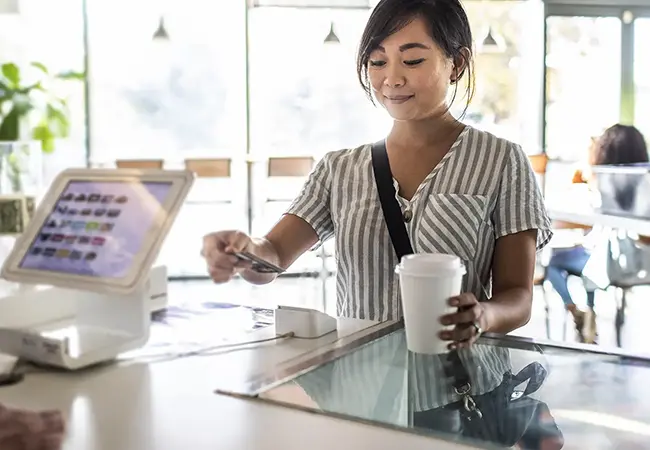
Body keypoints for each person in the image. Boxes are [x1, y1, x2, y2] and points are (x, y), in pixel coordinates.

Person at [202, 0, 552, 351]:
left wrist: (483, 317)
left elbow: (517, 297)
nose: (392, 79)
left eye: (413, 60)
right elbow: (273, 255)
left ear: (456, 64)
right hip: (361, 388)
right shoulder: (339, 170)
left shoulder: (501, 160)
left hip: (461, 386)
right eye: (377, 61)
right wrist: (243, 253)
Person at [546, 124, 649, 343]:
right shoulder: (645, 184)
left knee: (555, 262)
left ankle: (578, 312)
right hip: (643, 265)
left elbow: (571, 219)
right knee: (588, 260)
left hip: (610, 265)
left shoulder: (603, 187)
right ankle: (588, 315)